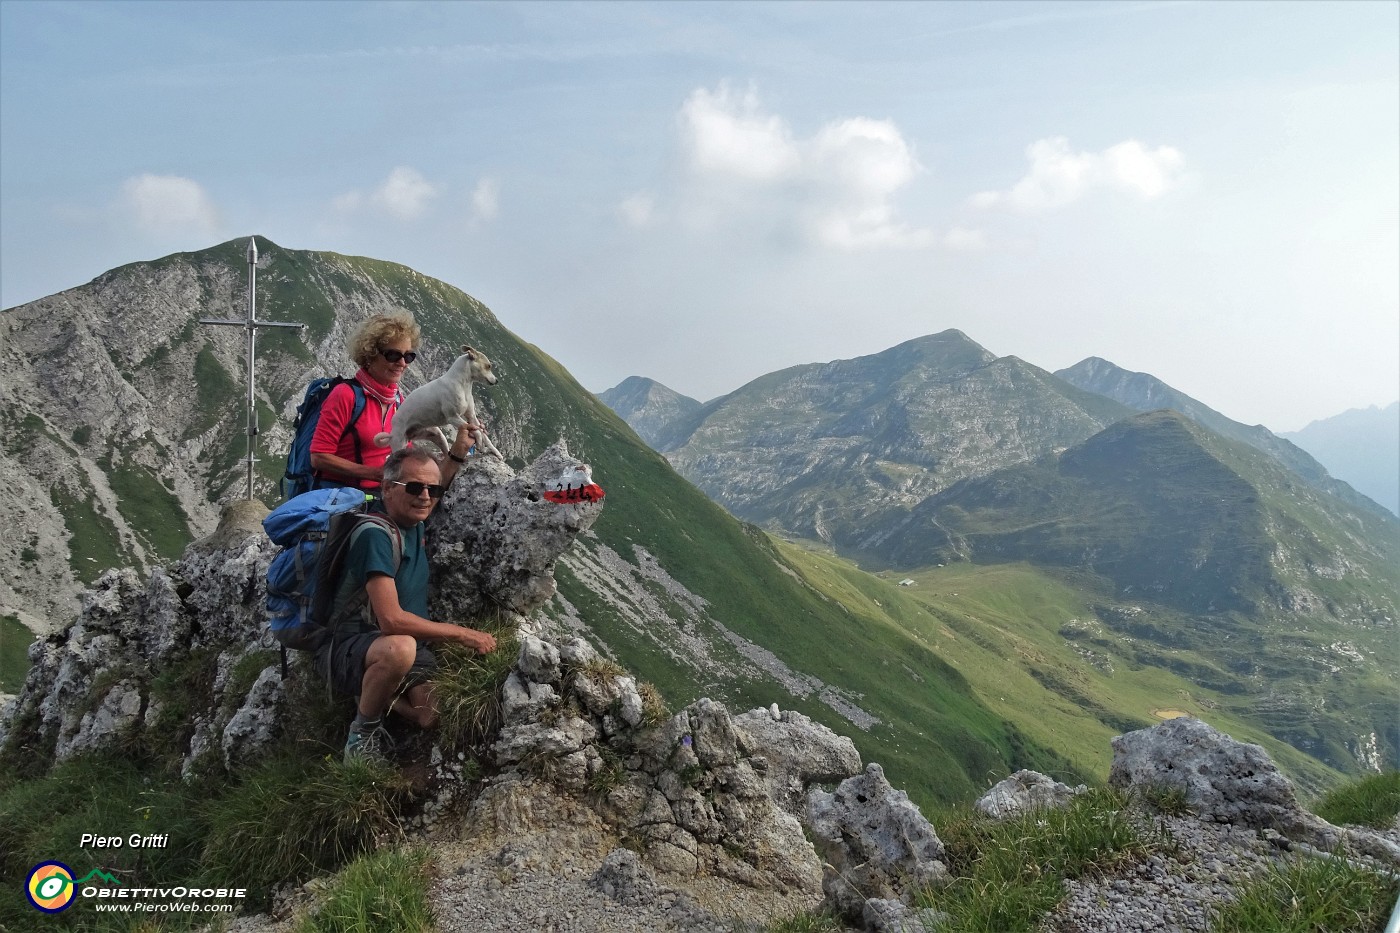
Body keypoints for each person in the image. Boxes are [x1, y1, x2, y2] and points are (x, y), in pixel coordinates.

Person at [315, 445, 498, 763]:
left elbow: (431, 489)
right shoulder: (376, 535)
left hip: (409, 646)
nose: (426, 496)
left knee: (431, 716)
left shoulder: (414, 520)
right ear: (386, 488)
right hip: (351, 645)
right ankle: (362, 734)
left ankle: (376, 692)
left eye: (433, 488)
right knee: (400, 648)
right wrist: (462, 634)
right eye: (414, 487)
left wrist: (456, 449)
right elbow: (392, 622)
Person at [309, 311, 479, 492]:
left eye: (408, 356)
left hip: (385, 495)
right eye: (393, 355)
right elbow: (318, 457)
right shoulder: (345, 395)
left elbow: (403, 451)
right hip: (343, 498)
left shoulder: (398, 401)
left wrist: (459, 448)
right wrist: (375, 473)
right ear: (370, 354)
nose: (402, 363)